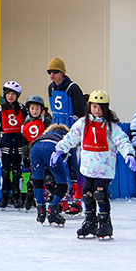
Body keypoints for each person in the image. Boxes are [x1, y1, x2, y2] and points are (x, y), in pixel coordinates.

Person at [51, 90, 136, 239]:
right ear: (89, 106)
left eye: (100, 107)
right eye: (94, 106)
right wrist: (59, 149)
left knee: (100, 195)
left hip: (105, 169)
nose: (97, 110)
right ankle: (90, 221)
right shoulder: (83, 123)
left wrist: (129, 154)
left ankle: (105, 223)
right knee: (87, 196)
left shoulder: (111, 126)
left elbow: (122, 140)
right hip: (88, 168)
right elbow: (70, 138)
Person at [46, 57, 87, 213]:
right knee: (59, 164)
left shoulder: (72, 88)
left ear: (62, 73)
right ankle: (63, 197)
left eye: (55, 72)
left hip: (71, 131)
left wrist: (77, 133)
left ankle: (77, 199)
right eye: (49, 72)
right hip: (57, 130)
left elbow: (81, 111)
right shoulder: (51, 87)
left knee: (74, 165)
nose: (52, 75)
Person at [0, 80, 28, 210]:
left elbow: (28, 128)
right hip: (5, 144)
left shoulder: (23, 109)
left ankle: (16, 196)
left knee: (17, 172)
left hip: (18, 144)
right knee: (5, 172)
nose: (10, 96)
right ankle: (4, 196)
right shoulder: (0, 110)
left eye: (13, 94)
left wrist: (26, 145)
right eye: (8, 93)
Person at [30, 123, 70, 225]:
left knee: (37, 180)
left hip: (35, 147)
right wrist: (74, 180)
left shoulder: (45, 135)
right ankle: (53, 208)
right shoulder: (67, 138)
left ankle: (41, 209)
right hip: (52, 147)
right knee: (63, 183)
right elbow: (72, 161)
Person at [20, 95, 51, 209]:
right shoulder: (26, 123)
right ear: (28, 109)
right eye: (32, 108)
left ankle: (50, 200)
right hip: (34, 154)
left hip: (46, 153)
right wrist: (25, 156)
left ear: (42, 109)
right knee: (34, 177)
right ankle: (30, 197)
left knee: (48, 177)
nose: (35, 111)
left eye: (37, 108)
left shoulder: (47, 121)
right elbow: (24, 142)